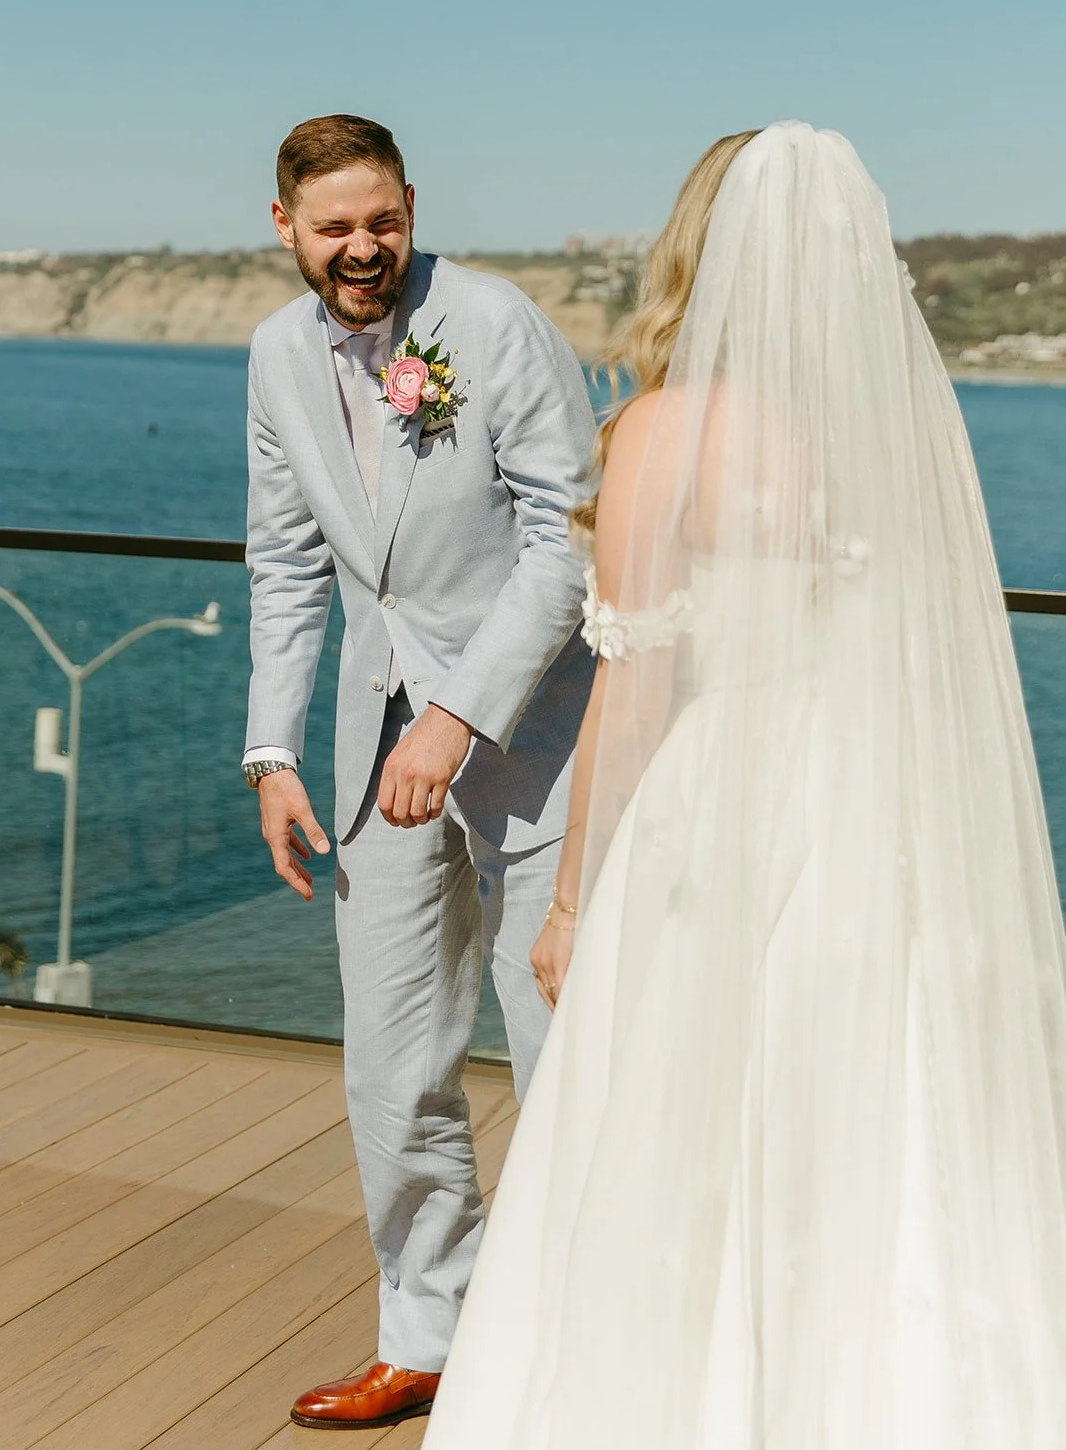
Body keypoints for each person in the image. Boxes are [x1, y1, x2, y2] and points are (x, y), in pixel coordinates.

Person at [422, 122, 1066, 1449]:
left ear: (696, 255)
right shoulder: (879, 436)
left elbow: (636, 683)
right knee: (864, 1107)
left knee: (683, 1106)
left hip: (725, 801)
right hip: (870, 804)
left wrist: (572, 894)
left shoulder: (666, 429)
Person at [241, 114, 597, 1430]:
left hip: (535, 733)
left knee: (556, 1040)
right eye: (333, 226)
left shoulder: (494, 323)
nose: (361, 248)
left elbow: (568, 542)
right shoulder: (276, 353)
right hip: (363, 748)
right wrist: (273, 751)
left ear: (408, 208)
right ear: (283, 225)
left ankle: (576, 1334)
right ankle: (426, 1332)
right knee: (391, 1059)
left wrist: (454, 714)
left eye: (380, 220)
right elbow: (284, 565)